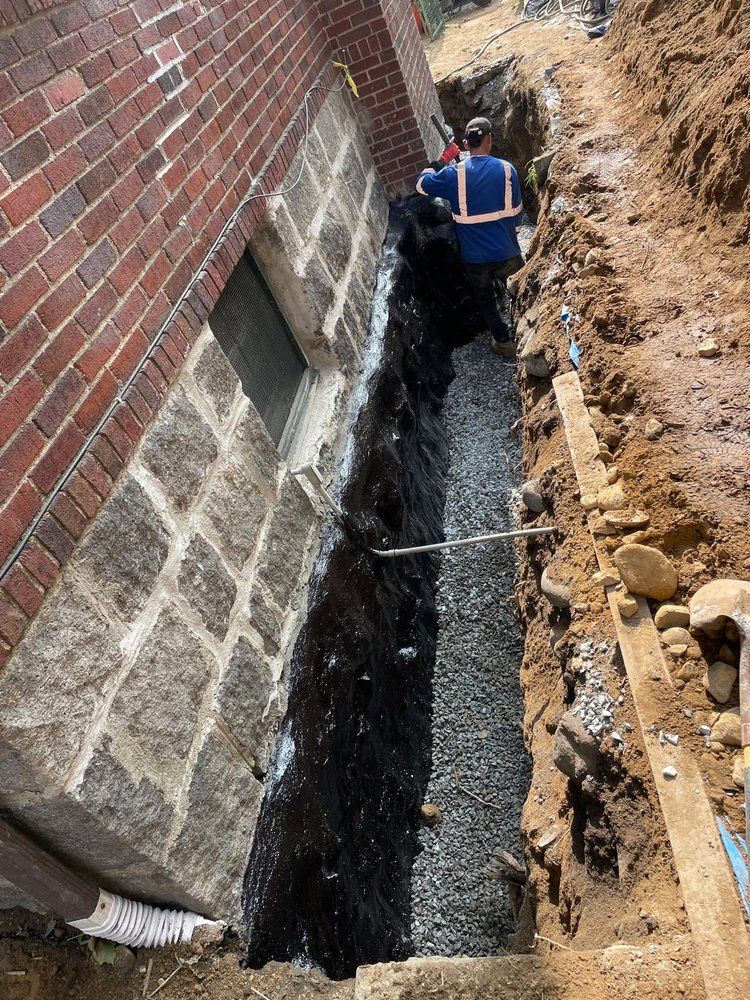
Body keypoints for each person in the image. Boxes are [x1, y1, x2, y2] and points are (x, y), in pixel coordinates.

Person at [415, 117, 524, 358]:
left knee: (486, 302)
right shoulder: (507, 169)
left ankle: (504, 342)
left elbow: (421, 185)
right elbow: (517, 214)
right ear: (489, 139)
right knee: (522, 290)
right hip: (507, 251)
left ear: (465, 144)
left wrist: (443, 158)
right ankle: (529, 330)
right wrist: (511, 237)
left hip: (475, 258)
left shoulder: (454, 174)